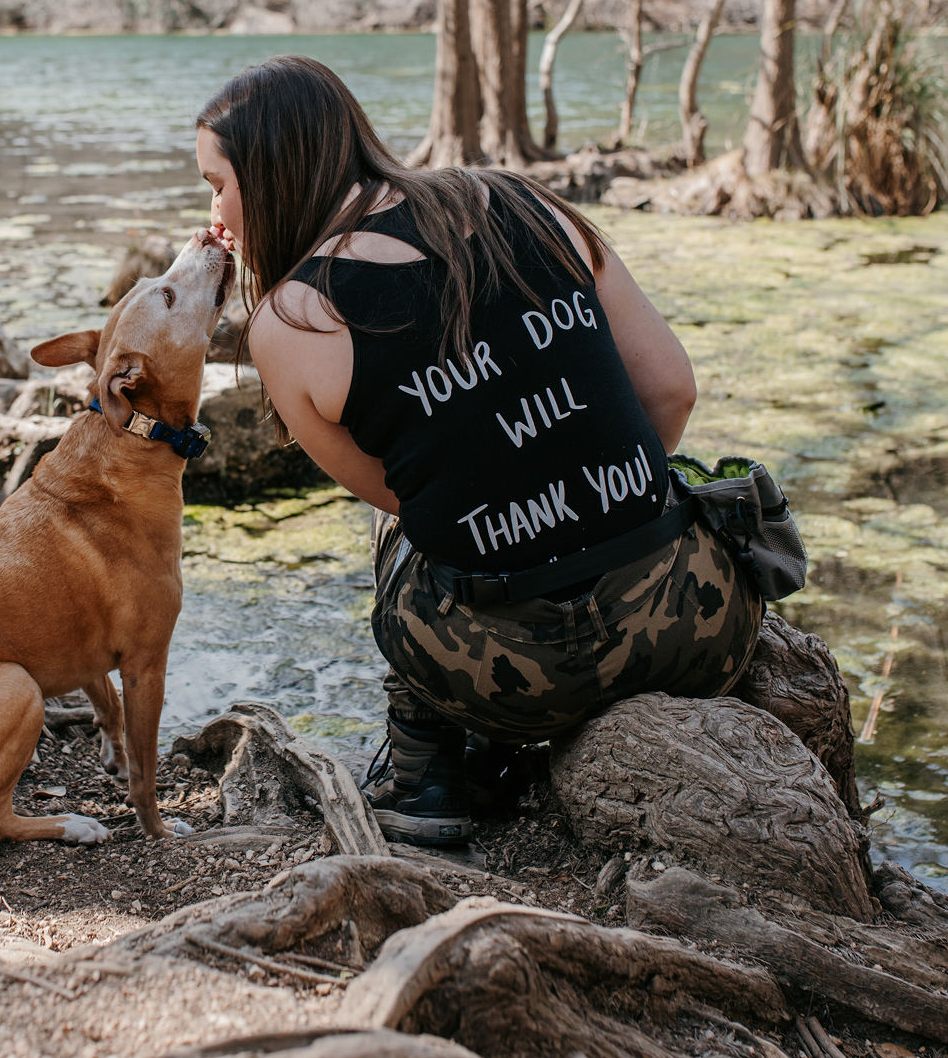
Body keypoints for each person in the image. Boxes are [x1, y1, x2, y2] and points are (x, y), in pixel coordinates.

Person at [195, 56, 763, 846]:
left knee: (396, 538)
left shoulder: (292, 319)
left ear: (274, 173)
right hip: (697, 633)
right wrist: (606, 499)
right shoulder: (523, 201)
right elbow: (672, 391)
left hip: (509, 685)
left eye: (217, 184)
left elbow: (412, 505)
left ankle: (424, 777)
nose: (215, 215)